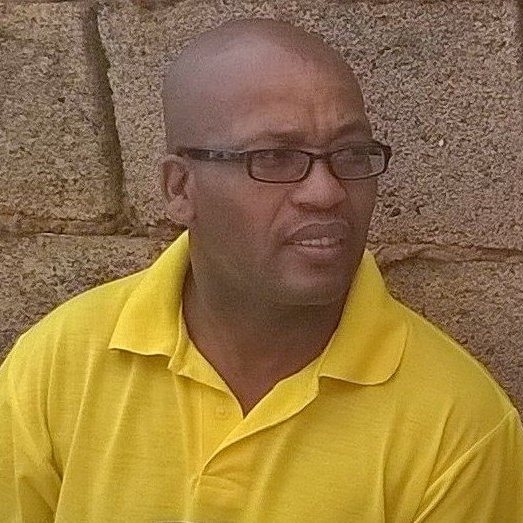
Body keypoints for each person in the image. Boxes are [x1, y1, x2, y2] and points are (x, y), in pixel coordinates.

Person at [0, 18, 522, 523]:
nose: (326, 192)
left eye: (350, 154)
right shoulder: (57, 367)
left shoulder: (458, 427)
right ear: (181, 188)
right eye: (273, 158)